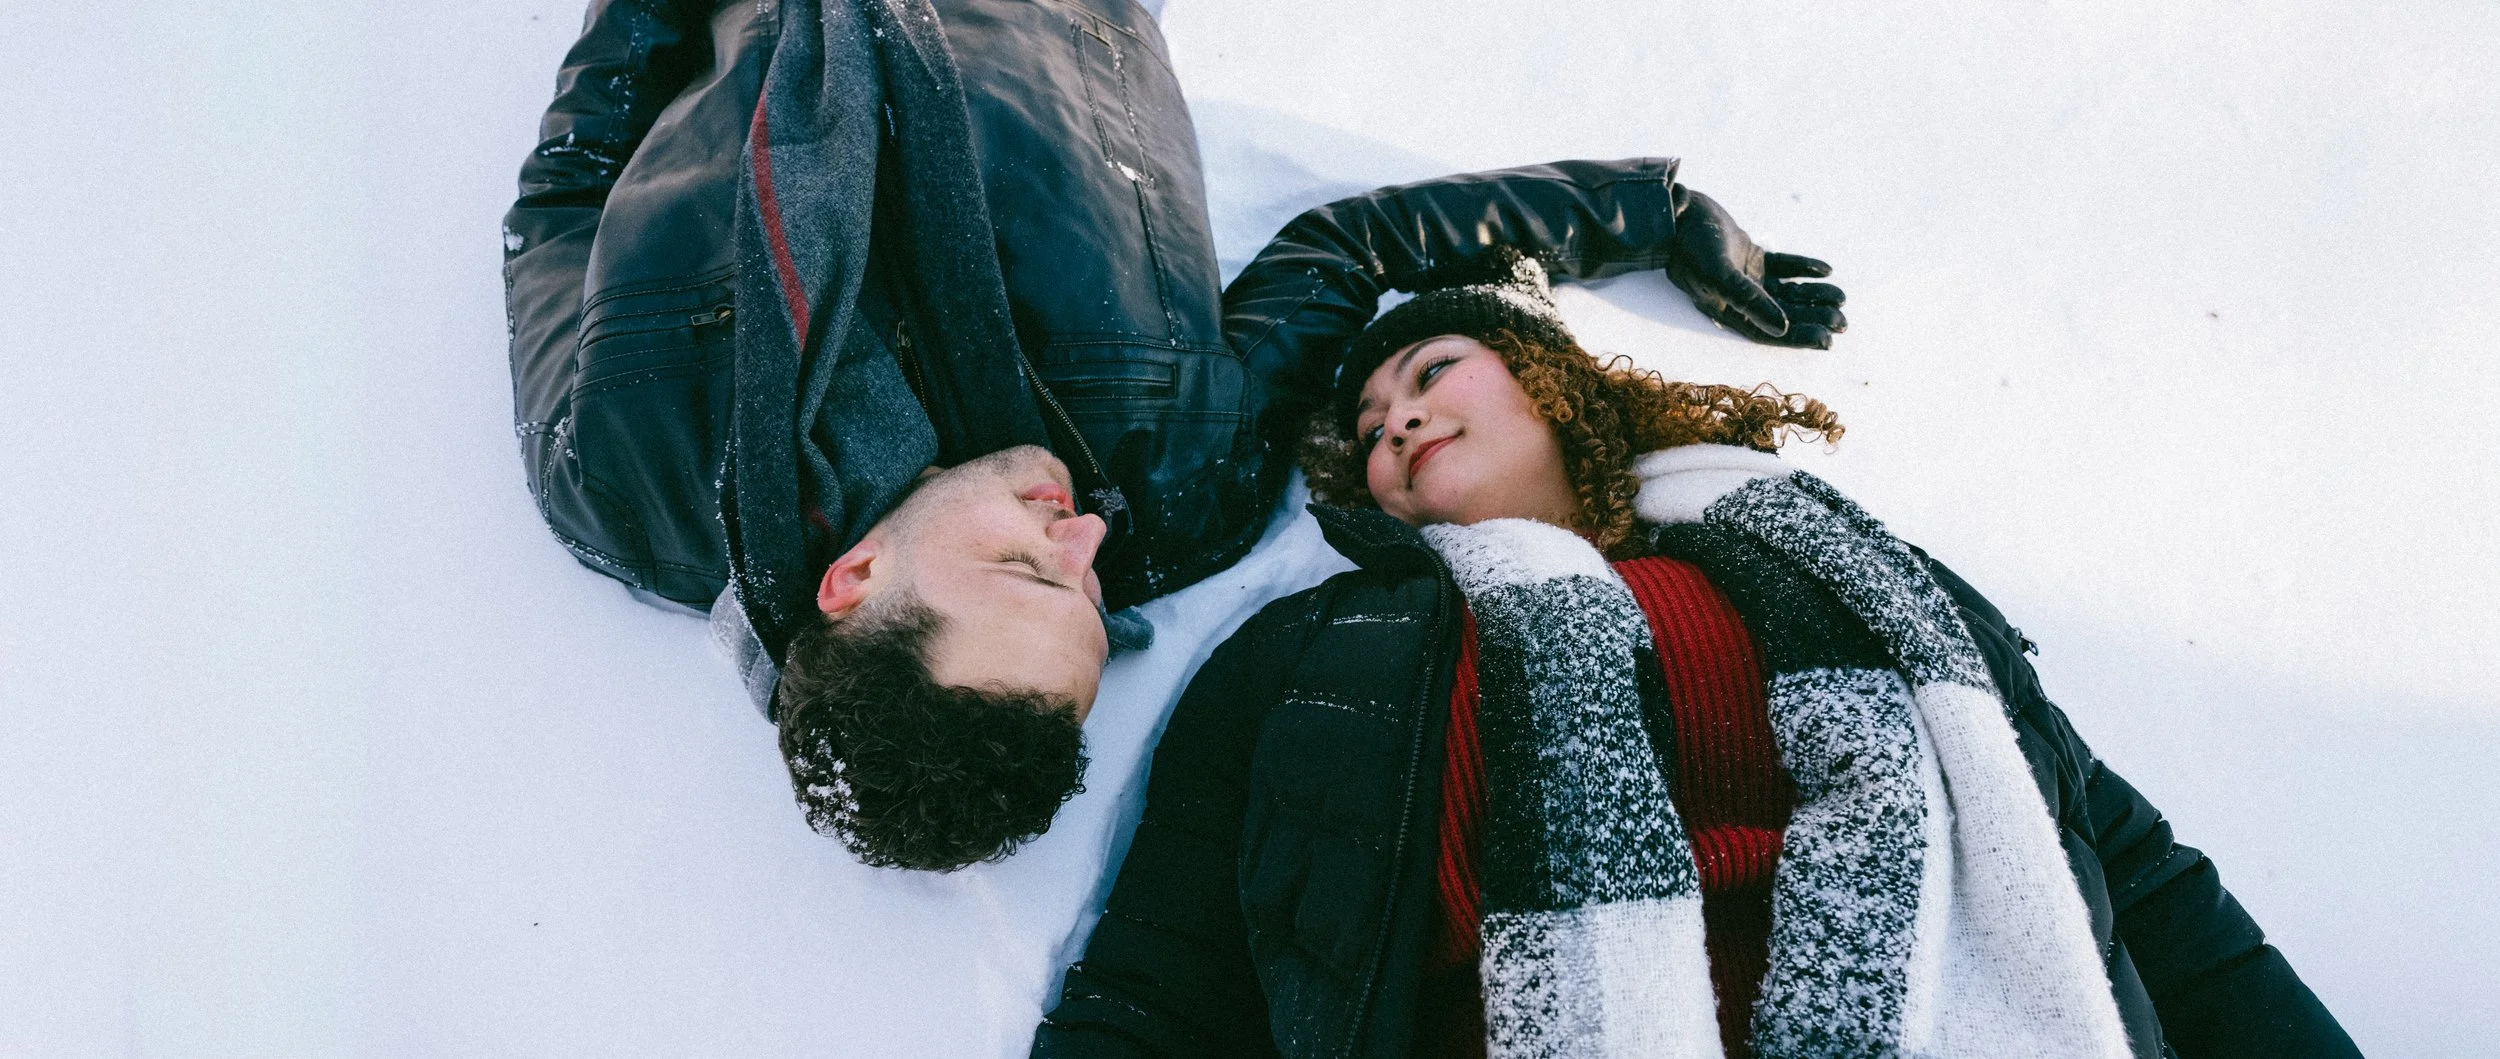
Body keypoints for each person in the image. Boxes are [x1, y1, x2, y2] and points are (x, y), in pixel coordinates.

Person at [502, 0, 1847, 870]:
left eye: (1028, 569)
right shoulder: (1174, 479)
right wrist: (1644, 215)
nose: (1083, 532)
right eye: (1090, 591)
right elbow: (1347, 247)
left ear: (850, 584)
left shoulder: (626, 466)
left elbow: (567, 194)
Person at [1032, 252, 2359, 1057]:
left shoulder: (1849, 574)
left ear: (1552, 382)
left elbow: (2132, 877)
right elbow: (1166, 981)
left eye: (1435, 368)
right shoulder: (1316, 653)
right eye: (1372, 428)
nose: (1402, 421)